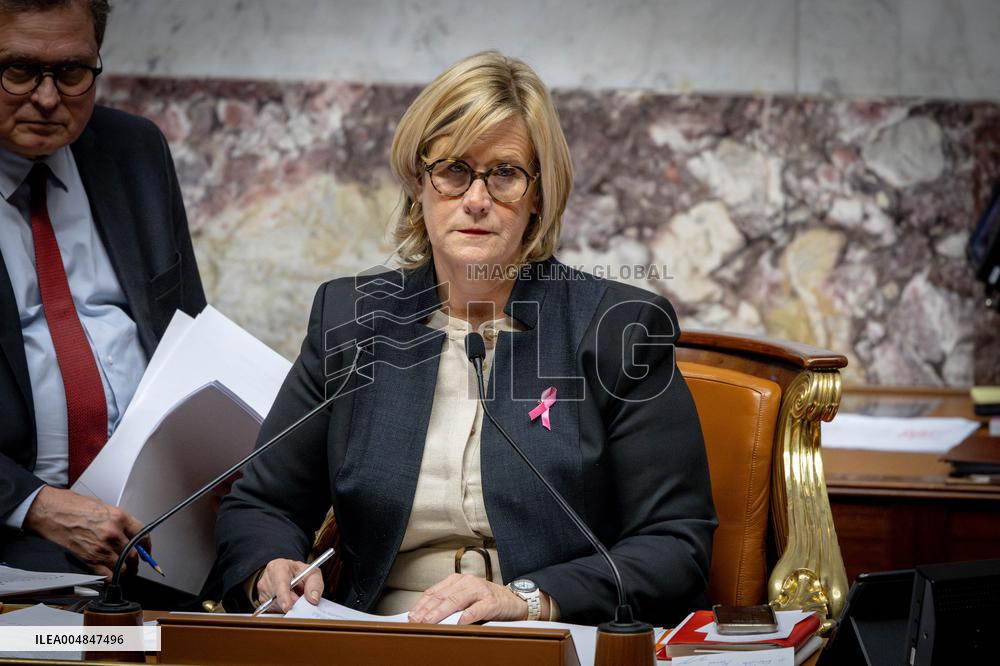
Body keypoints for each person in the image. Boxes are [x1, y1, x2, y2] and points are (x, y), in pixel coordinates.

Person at [214, 51, 715, 627]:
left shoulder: (619, 329)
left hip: (544, 638)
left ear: (538, 197)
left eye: (504, 174)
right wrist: (269, 566)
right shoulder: (351, 320)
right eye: (453, 170)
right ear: (418, 185)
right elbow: (263, 504)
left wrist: (530, 599)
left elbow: (676, 545)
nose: (476, 199)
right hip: (376, 636)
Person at [0, 0, 206, 579]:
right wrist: (32, 503)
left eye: (71, 72)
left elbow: (189, 334)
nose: (46, 98)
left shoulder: (134, 151)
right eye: (18, 70)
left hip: (150, 536)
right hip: (13, 541)